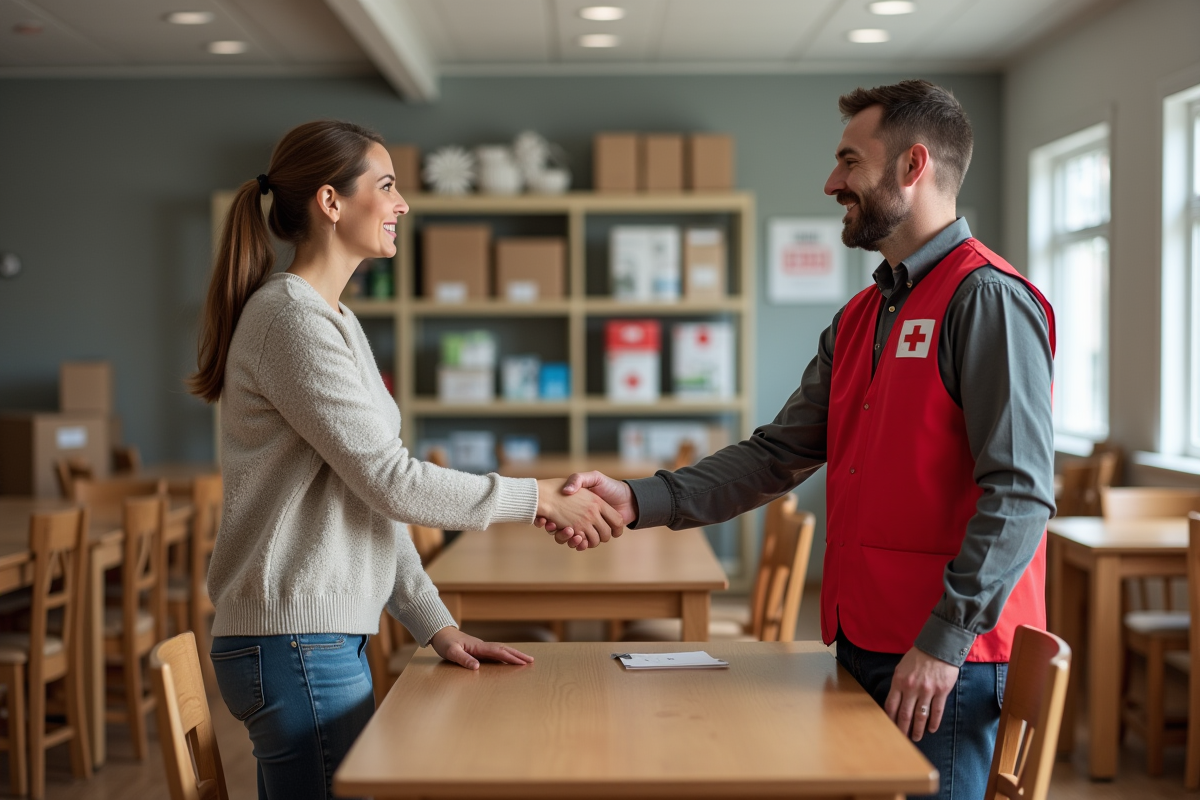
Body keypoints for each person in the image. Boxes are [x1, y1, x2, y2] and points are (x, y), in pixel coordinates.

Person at [541, 80, 1055, 800]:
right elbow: (776, 454)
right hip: (864, 636)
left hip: (945, 658)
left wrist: (945, 640)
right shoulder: (859, 318)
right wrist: (635, 499)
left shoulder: (987, 299)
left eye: (849, 161)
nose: (831, 182)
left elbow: (1022, 493)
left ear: (912, 166)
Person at [188, 119, 623, 800]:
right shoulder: (292, 321)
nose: (403, 204)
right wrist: (537, 496)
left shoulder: (333, 320)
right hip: (299, 643)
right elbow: (393, 485)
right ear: (332, 203)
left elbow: (368, 500)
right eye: (386, 186)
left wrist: (436, 625)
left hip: (313, 640)